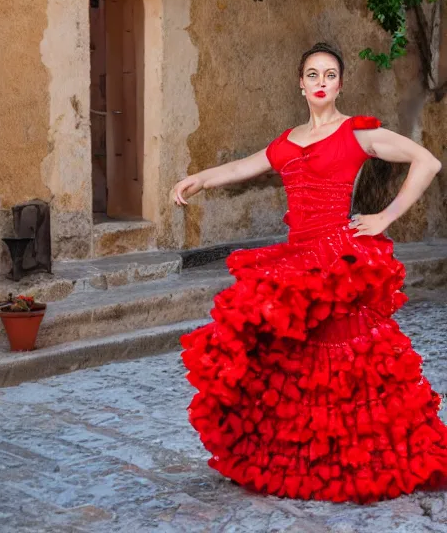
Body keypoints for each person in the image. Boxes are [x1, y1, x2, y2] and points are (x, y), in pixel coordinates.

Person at [172, 41, 447, 503]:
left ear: (340, 84)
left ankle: (357, 461)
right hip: (297, 260)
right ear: (301, 85)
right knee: (292, 363)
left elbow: (429, 161)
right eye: (313, 75)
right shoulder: (286, 143)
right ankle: (304, 458)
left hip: (338, 260)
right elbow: (246, 166)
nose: (322, 83)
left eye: (330, 75)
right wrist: (199, 177)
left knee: (347, 364)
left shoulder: (357, 134)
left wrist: (385, 217)